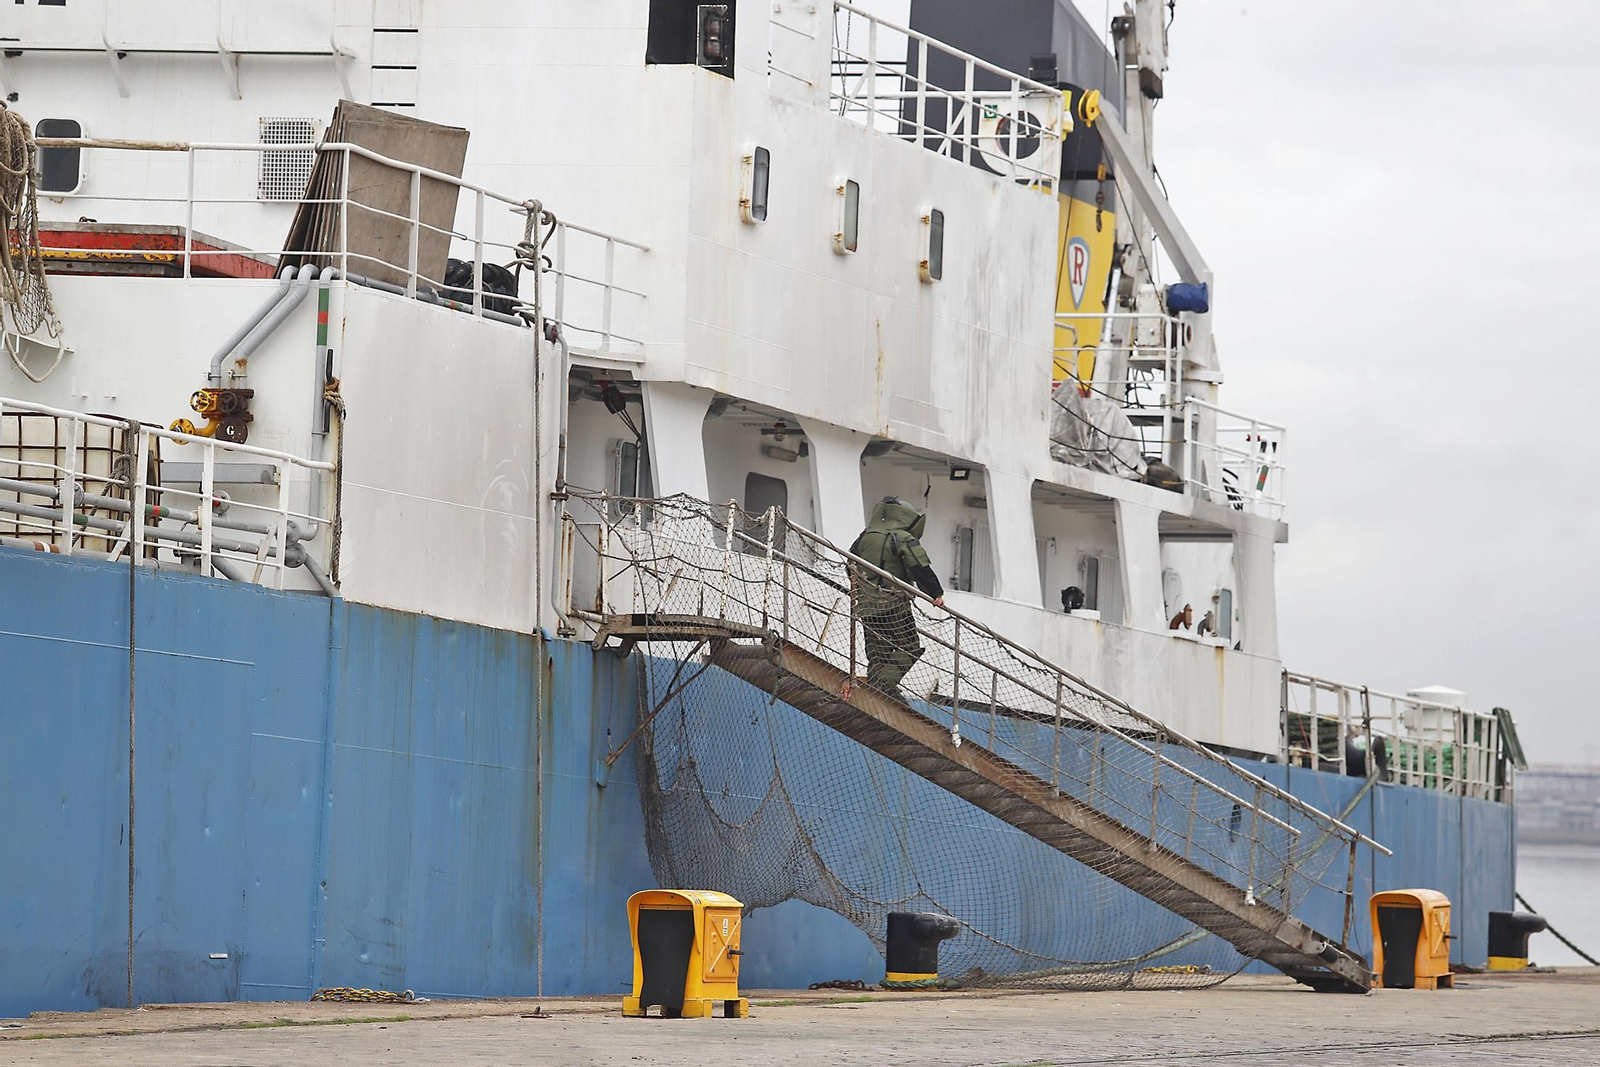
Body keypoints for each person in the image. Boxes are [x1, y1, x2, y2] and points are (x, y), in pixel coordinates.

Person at [848, 497, 945, 700]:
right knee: (909, 646)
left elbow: (850, 563)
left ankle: (877, 687)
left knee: (877, 652)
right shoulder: (902, 538)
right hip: (894, 604)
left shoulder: (864, 537)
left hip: (866, 604)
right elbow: (920, 568)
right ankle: (885, 685)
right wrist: (935, 593)